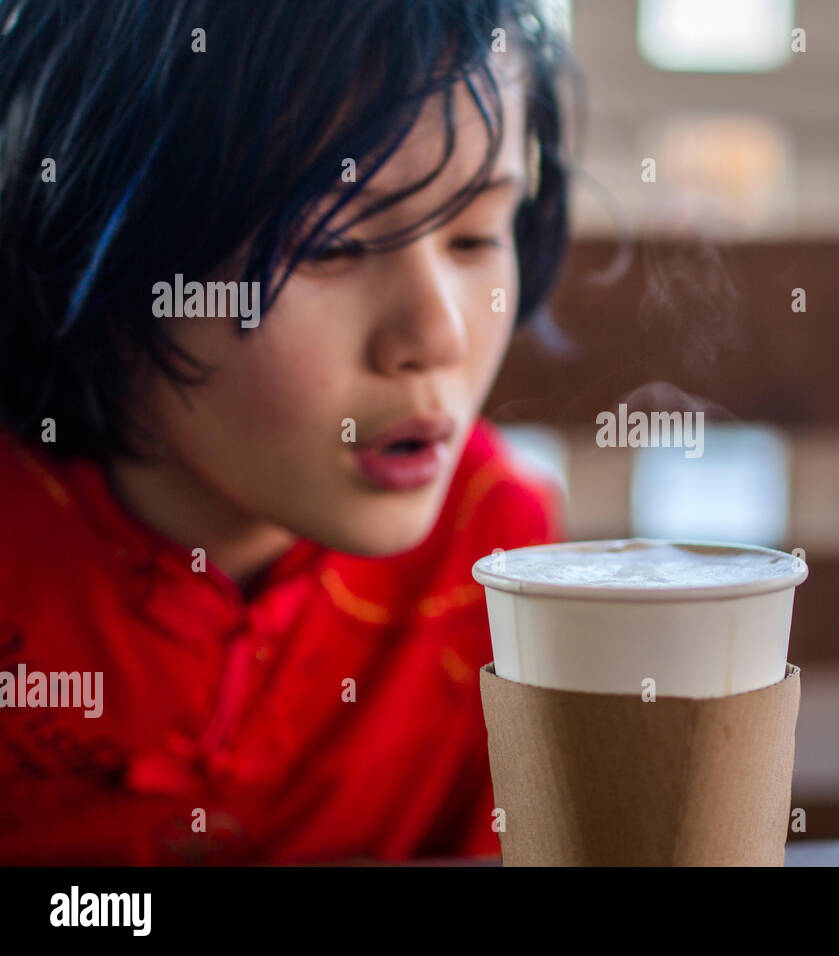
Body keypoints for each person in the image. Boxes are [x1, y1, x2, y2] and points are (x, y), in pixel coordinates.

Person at [0, 0, 572, 863]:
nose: (440, 332)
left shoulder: (494, 556)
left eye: (475, 236)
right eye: (333, 246)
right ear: (98, 250)